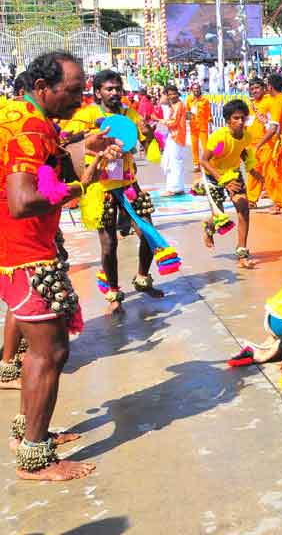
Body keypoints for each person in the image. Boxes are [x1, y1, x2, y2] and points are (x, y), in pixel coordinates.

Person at [1, 51, 121, 480]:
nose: (80, 98)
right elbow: (22, 201)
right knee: (49, 351)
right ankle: (34, 458)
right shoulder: (29, 125)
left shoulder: (24, 115)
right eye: (71, 91)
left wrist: (82, 148)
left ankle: (28, 432)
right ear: (42, 89)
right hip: (23, 251)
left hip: (24, 249)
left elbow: (47, 158)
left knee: (41, 350)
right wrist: (80, 184)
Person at [64, 70, 165, 314]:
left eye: (117, 88)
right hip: (101, 187)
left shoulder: (129, 113)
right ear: (98, 92)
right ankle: (113, 292)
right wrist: (90, 135)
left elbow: (143, 141)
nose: (115, 93)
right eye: (109, 89)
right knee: (108, 245)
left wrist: (149, 136)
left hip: (128, 183)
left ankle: (143, 278)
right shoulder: (88, 114)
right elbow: (65, 138)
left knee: (148, 234)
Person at [199, 99, 261, 268]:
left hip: (233, 174)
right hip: (213, 175)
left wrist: (252, 170)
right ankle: (208, 227)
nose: (240, 122)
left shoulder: (246, 136)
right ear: (228, 120)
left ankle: (242, 253)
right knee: (220, 217)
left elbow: (243, 152)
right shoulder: (219, 137)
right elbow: (204, 161)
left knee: (244, 210)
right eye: (236, 118)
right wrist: (222, 181)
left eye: (243, 118)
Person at [255, 73, 282, 216]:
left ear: (269, 87)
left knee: (277, 175)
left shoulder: (278, 103)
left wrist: (259, 144)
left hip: (280, 144)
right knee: (279, 174)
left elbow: (274, 128)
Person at [158, 84, 187, 196]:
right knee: (172, 160)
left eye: (174, 93)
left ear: (177, 93)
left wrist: (161, 121)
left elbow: (174, 122)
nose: (172, 96)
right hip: (174, 135)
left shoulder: (178, 105)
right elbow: (162, 101)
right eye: (169, 95)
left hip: (176, 135)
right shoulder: (173, 104)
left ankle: (174, 188)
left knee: (174, 161)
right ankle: (177, 187)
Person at [243, 78, 268, 208]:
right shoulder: (249, 106)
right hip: (252, 145)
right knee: (253, 172)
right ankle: (252, 199)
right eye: (252, 89)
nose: (254, 91)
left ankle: (280, 201)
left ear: (264, 88)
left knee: (270, 172)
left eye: (257, 88)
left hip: (267, 143)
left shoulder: (269, 102)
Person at [185, 81, 211, 171]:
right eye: (194, 89)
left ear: (200, 89)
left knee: (205, 147)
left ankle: (207, 163)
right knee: (194, 147)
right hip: (193, 127)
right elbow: (187, 111)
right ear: (192, 90)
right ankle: (196, 164)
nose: (196, 90)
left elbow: (208, 112)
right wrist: (188, 120)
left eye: (197, 89)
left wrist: (210, 119)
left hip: (203, 126)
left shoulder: (205, 100)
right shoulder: (189, 100)